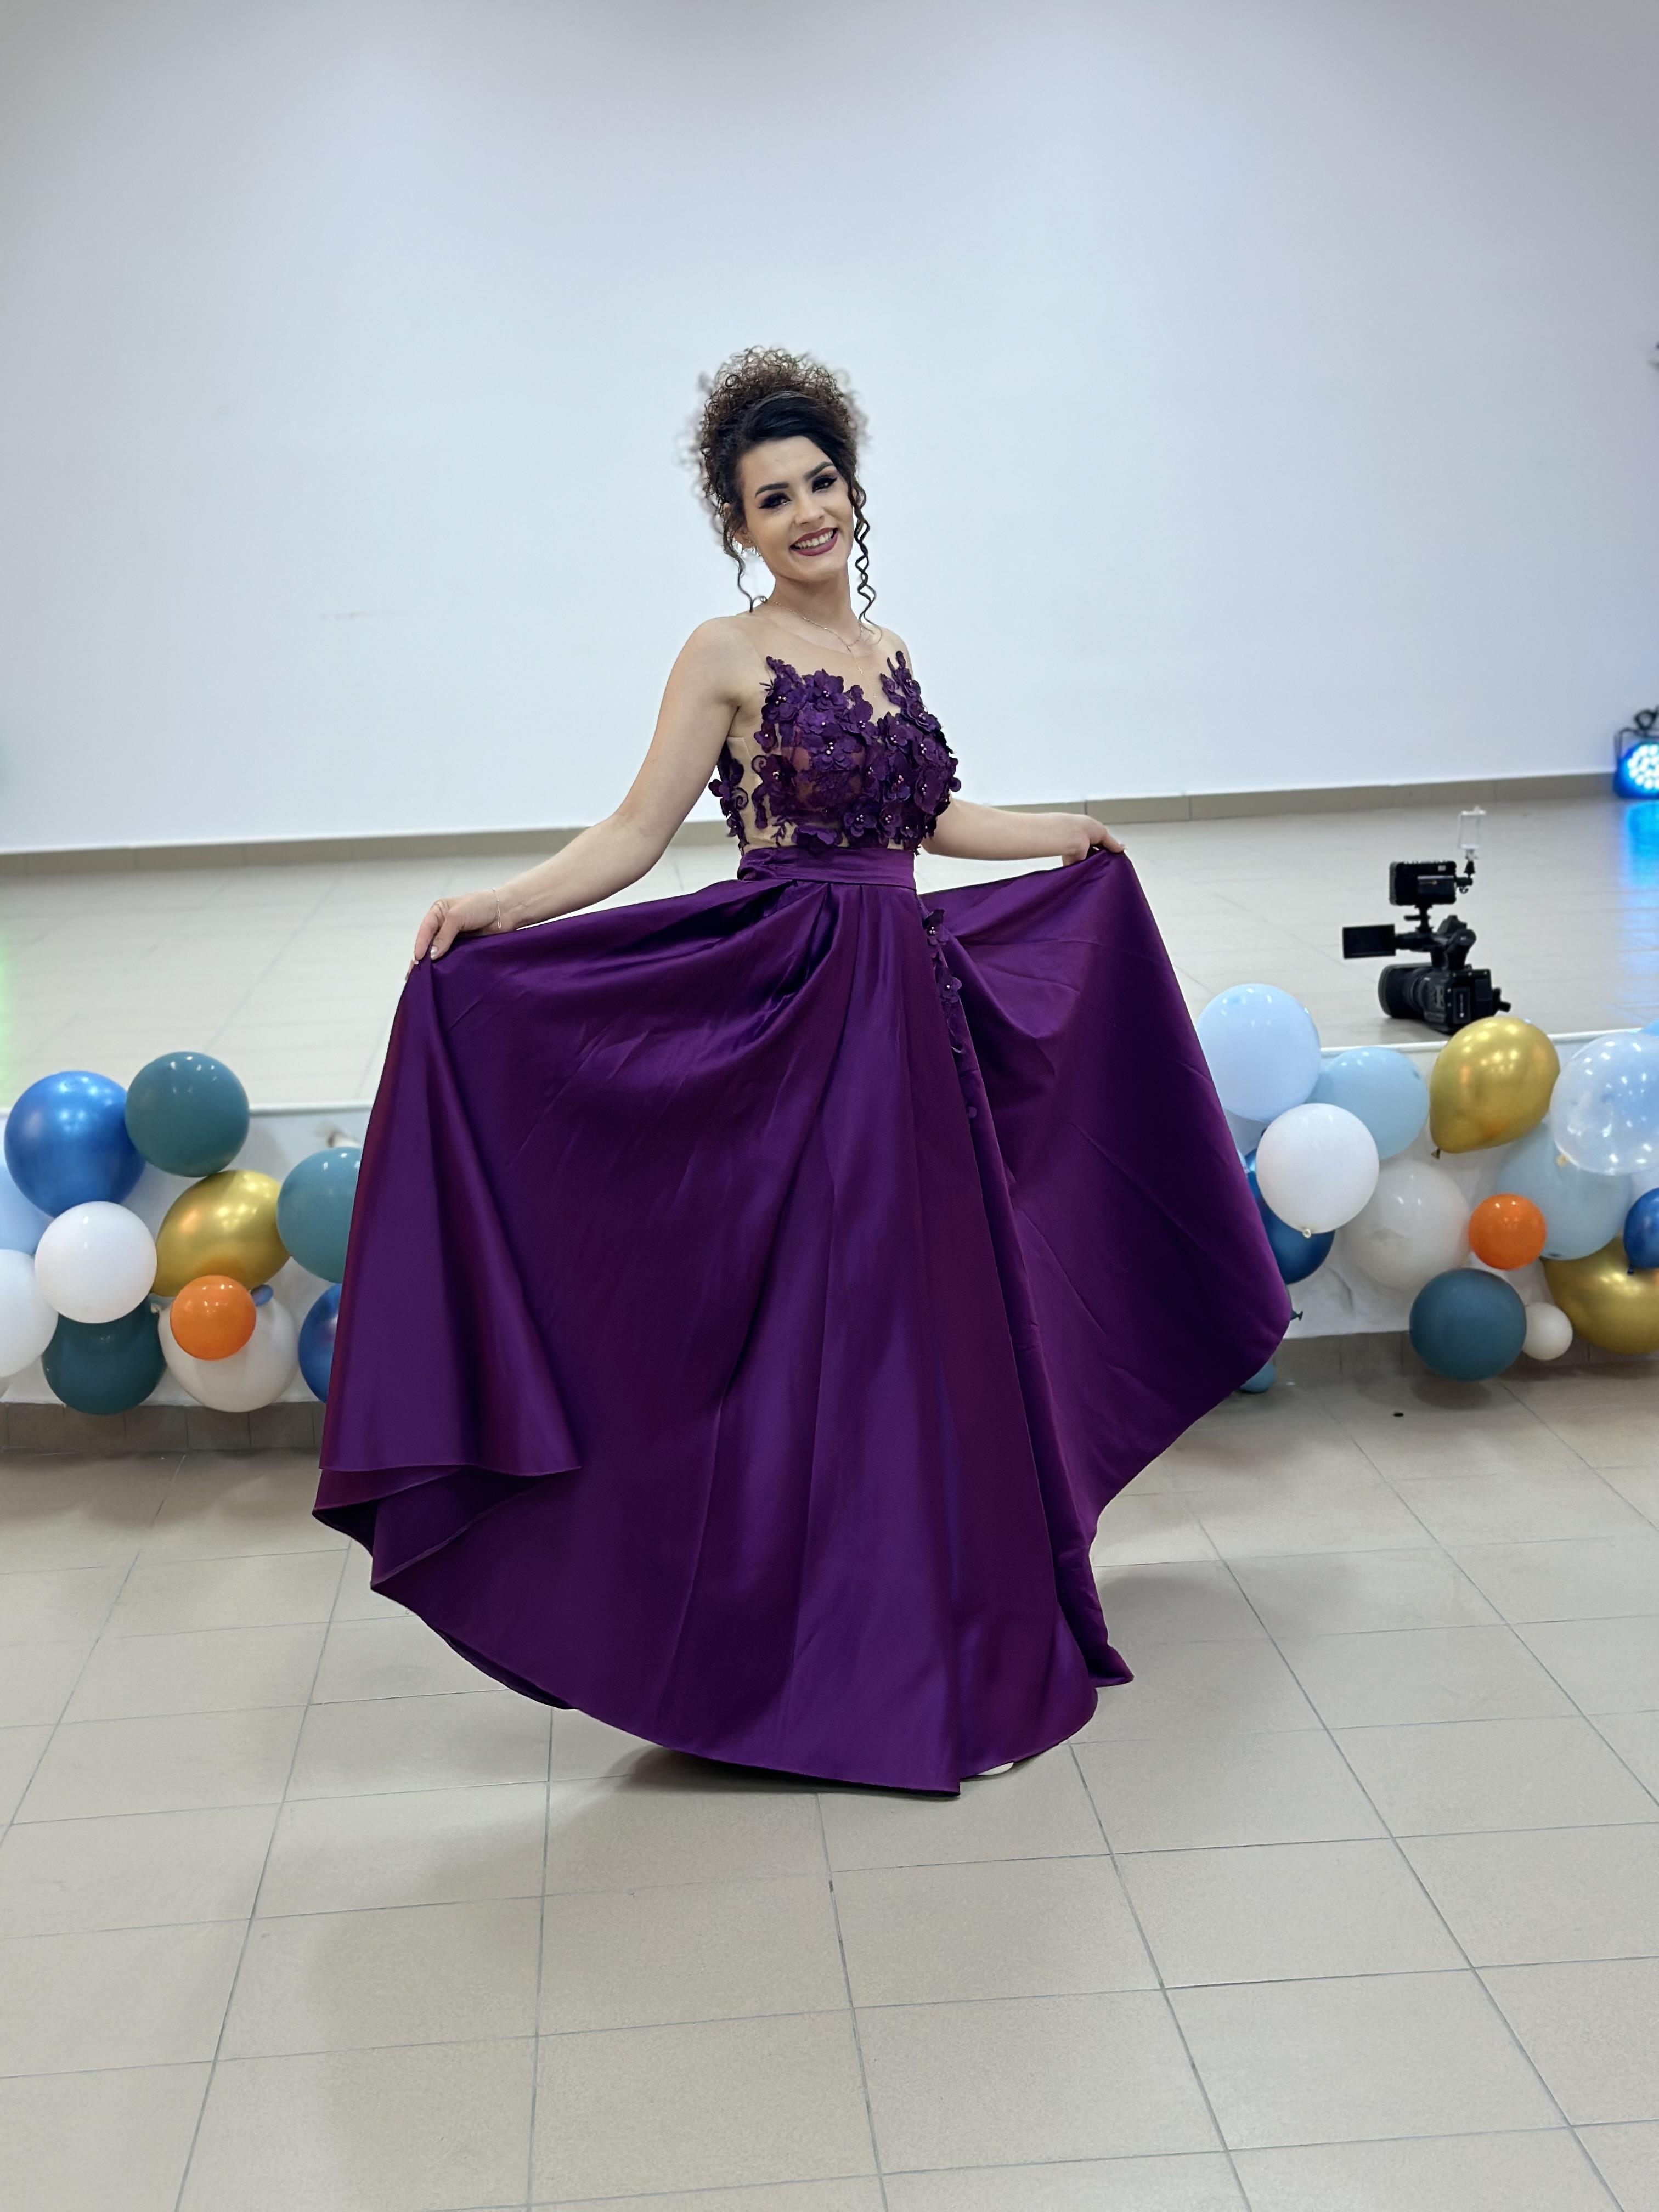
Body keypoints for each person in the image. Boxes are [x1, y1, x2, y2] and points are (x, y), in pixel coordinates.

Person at [314, 346, 1288, 1795]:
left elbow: (931, 820)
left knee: (924, 1327)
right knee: (809, 1327)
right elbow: (635, 834)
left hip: (905, 1013)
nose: (807, 513)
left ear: (852, 488)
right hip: (791, 1006)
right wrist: (502, 908)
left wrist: (1062, 836)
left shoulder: (889, 652)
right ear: (740, 525)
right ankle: (781, 1654)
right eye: (773, 499)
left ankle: (931, 1638)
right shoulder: (723, 653)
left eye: (821, 482)